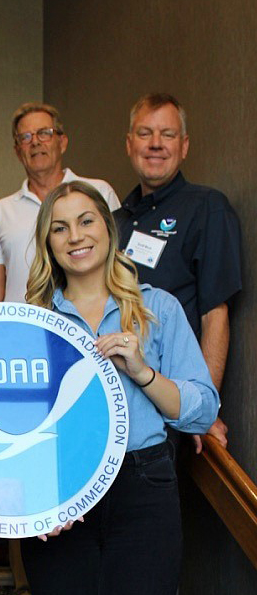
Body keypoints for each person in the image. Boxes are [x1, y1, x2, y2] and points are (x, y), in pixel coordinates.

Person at [19, 180, 219, 594]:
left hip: (143, 486)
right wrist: (33, 495)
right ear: (47, 243)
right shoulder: (29, 323)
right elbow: (16, 422)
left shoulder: (158, 308)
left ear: (110, 230)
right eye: (59, 228)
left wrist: (143, 372)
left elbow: (202, 412)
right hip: (59, 484)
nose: (75, 236)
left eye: (86, 221)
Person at [116, 93, 241, 449]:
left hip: (168, 410)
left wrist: (202, 408)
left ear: (184, 146)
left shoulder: (207, 208)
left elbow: (215, 314)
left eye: (167, 135)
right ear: (129, 145)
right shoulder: (115, 223)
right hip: (117, 407)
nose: (155, 144)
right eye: (145, 133)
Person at [0, 102, 119, 304]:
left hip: (88, 326)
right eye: (25, 137)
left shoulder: (99, 193)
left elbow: (119, 260)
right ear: (18, 151)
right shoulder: (2, 210)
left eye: (44, 133)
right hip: (23, 330)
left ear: (62, 142)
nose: (35, 142)